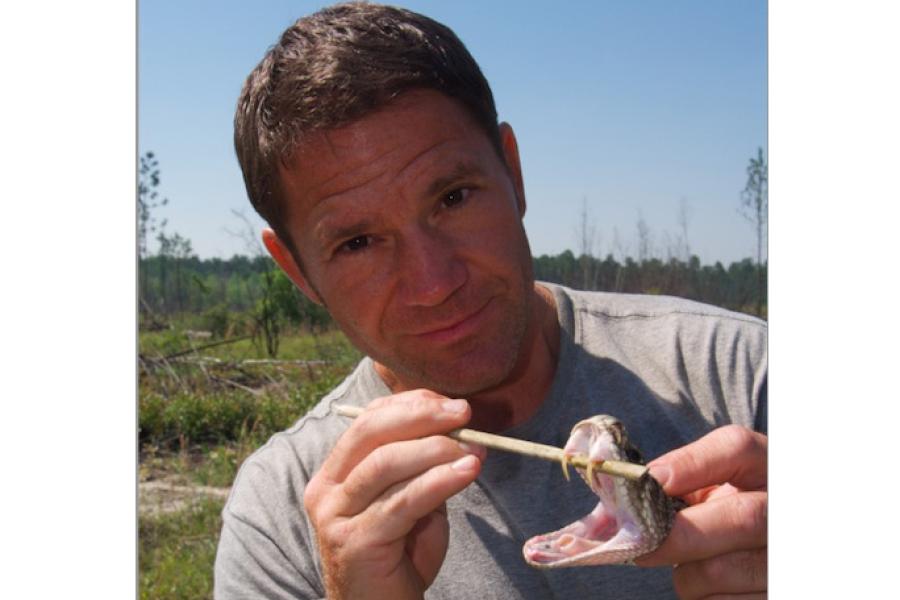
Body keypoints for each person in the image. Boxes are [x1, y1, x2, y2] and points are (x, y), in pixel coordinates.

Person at [214, 3, 768, 599]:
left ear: (514, 174)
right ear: (298, 271)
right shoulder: (279, 517)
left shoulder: (740, 378)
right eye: (357, 243)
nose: (434, 282)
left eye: (453, 197)